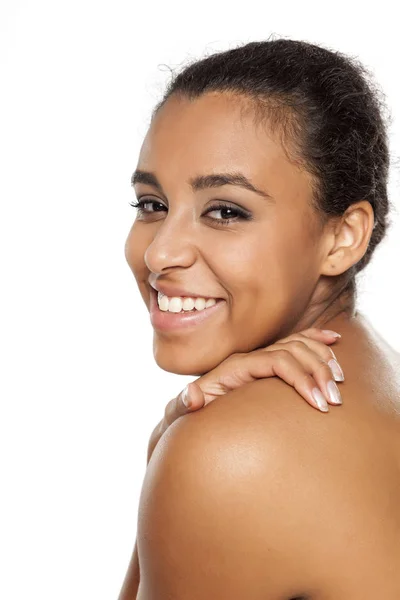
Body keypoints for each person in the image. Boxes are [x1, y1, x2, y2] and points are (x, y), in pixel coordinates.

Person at [120, 38, 400, 599]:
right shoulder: (374, 370)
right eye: (152, 205)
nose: (159, 254)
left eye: (225, 211)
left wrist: (190, 448)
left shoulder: (233, 453)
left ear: (343, 236)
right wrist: (168, 434)